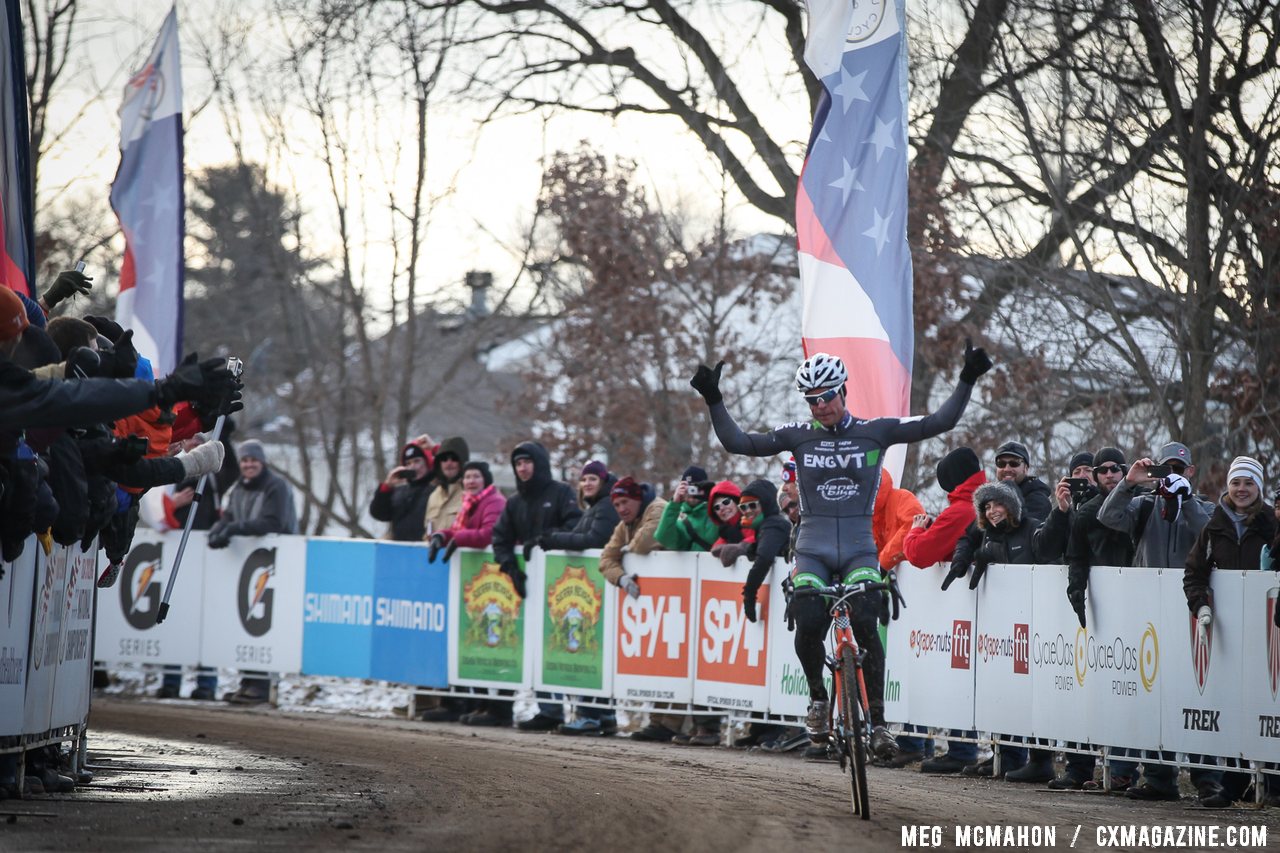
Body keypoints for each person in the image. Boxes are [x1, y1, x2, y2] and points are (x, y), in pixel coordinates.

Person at [690, 341, 992, 762]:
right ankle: (817, 699)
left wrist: (967, 379)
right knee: (809, 620)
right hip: (812, 549)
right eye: (812, 400)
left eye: (827, 396)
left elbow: (939, 421)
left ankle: (880, 723)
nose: (820, 406)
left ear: (843, 390)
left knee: (867, 621)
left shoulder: (876, 431)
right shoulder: (797, 436)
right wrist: (714, 399)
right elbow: (739, 442)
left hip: (858, 550)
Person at [1096, 441, 1222, 803]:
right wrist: (1130, 483)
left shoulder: (1203, 507)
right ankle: (1158, 776)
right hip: (1149, 612)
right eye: (1165, 470)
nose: (1172, 476)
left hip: (1189, 609)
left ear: (1191, 473)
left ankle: (1206, 777)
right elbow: (1108, 516)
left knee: (1196, 693)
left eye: (1178, 471)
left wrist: (1185, 501)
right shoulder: (1143, 505)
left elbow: (1211, 536)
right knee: (1152, 694)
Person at [1183, 455, 1280, 807]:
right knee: (1235, 705)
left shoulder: (1272, 521)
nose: (1241, 490)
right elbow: (1193, 572)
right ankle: (1233, 782)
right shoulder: (1214, 525)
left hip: (1271, 630)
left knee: (1270, 704)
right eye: (1236, 482)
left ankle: (1271, 782)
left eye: (1249, 483)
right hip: (1229, 632)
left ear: (1259, 487)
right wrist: (1200, 605)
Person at [1051, 446, 1136, 791]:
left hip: (1138, 605)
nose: (1110, 475)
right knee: (1085, 689)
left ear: (1124, 472)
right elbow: (1076, 557)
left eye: (1116, 470)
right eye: (1103, 471)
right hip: (1098, 611)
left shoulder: (1139, 502)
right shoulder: (1085, 512)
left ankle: (1122, 769)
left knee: (1129, 691)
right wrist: (1076, 594)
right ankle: (1080, 767)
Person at [483, 441, 582, 730]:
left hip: (563, 584)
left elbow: (575, 526)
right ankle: (548, 709)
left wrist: (543, 541)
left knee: (559, 646)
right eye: (518, 464)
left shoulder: (561, 492)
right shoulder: (515, 502)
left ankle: (563, 710)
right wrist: (510, 567)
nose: (522, 468)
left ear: (538, 463)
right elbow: (499, 537)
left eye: (527, 462)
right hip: (528, 587)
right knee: (535, 646)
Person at [902, 447, 986, 772]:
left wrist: (916, 529)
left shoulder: (961, 510)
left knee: (959, 678)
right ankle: (963, 748)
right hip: (968, 610)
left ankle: (963, 750)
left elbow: (920, 553)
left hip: (961, 613)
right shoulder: (974, 505)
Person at [563, 477, 664, 738]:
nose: (620, 508)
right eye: (616, 503)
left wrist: (628, 549)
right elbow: (606, 558)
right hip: (649, 608)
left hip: (672, 602)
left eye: (625, 502)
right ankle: (614, 715)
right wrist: (621, 577)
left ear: (638, 499)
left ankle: (666, 722)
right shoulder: (624, 525)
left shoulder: (657, 508)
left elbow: (643, 544)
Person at [208, 439, 300, 705]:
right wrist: (219, 530)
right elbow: (229, 515)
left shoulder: (276, 486)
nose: (249, 465)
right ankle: (247, 680)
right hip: (249, 564)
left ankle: (262, 684)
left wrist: (234, 530)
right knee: (246, 622)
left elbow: (273, 521)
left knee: (264, 623)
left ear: (262, 462)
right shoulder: (238, 487)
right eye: (245, 460)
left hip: (275, 563)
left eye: (253, 461)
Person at [541, 460, 619, 552]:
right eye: (583, 480)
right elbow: (575, 535)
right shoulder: (592, 507)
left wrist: (555, 539)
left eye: (593, 479)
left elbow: (595, 540)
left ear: (602, 482)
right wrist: (546, 538)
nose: (587, 483)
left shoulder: (607, 504)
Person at [369, 437, 435, 542]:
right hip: (400, 549)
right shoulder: (400, 491)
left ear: (427, 463)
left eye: (417, 461)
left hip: (425, 549)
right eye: (408, 463)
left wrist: (435, 449)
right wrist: (386, 487)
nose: (412, 467)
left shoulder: (437, 490)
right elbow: (379, 514)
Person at [653, 465, 717, 552]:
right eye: (688, 488)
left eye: (695, 488)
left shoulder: (717, 511)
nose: (691, 493)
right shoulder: (681, 518)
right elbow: (664, 538)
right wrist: (674, 504)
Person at [422, 436, 469, 537]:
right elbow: (427, 534)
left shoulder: (471, 493)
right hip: (434, 552)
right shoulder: (434, 496)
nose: (449, 463)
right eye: (444, 459)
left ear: (462, 462)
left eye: (454, 458)